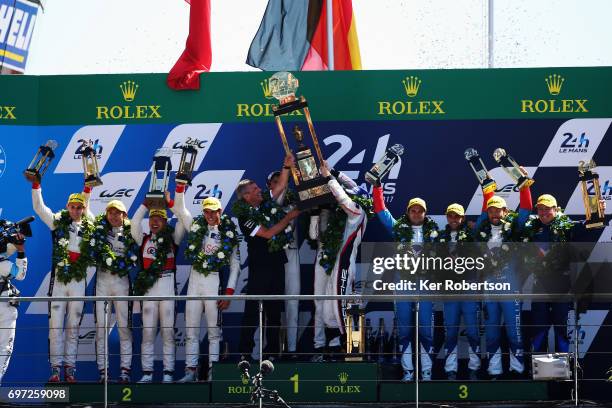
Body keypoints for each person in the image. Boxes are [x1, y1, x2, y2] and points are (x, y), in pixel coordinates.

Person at [520, 194, 606, 354]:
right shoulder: (530, 228)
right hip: (540, 286)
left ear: (556, 209)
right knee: (539, 328)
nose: (544, 212)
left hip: (562, 286)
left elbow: (591, 225)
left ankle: (563, 369)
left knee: (561, 327)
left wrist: (597, 211)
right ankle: (539, 369)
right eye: (540, 209)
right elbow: (509, 230)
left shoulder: (566, 227)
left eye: (548, 209)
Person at [234, 154, 299, 360]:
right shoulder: (244, 216)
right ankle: (245, 352)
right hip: (260, 267)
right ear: (246, 196)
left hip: (277, 263)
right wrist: (289, 217)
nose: (260, 191)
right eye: (255, 190)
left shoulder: (264, 204)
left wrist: (286, 167)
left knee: (274, 311)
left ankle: (271, 353)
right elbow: (268, 233)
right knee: (252, 311)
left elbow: (279, 188)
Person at [173, 188, 240, 382]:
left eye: (214, 211)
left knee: (213, 331)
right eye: (207, 211)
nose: (210, 215)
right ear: (203, 213)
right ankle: (191, 371)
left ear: (220, 211)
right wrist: (179, 188)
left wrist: (228, 293)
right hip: (195, 283)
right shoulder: (195, 227)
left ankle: (212, 371)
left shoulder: (229, 233)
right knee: (191, 329)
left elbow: (235, 266)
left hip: (214, 283)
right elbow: (180, 209)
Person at [373, 184, 438, 382]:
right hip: (402, 284)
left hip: (426, 286)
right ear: (408, 212)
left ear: (425, 214)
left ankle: (426, 371)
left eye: (420, 211)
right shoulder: (398, 228)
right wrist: (377, 187)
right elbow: (380, 210)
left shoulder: (435, 233)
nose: (416, 214)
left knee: (426, 330)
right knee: (405, 329)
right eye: (413, 210)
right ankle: (408, 371)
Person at [31, 180, 94, 383]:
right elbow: (39, 209)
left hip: (78, 281)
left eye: (79, 207)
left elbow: (89, 202)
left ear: (84, 209)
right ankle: (56, 370)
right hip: (59, 281)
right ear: (67, 207)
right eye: (73, 207)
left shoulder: (90, 224)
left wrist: (87, 189)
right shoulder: (57, 221)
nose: (76, 210)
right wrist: (36, 187)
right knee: (55, 326)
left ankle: (70, 369)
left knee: (73, 327)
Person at [473, 171, 531, 379]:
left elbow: (525, 208)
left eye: (498, 211)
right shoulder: (481, 230)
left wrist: (524, 185)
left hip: (511, 289)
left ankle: (517, 370)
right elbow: (481, 215)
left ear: (506, 211)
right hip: (489, 291)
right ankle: (494, 370)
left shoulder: (514, 228)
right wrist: (487, 191)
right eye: (491, 211)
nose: (495, 214)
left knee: (514, 333)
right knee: (491, 332)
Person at [318, 163, 371, 358]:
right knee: (328, 308)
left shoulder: (358, 212)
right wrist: (333, 171)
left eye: (355, 194)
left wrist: (328, 178)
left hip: (344, 266)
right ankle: (333, 348)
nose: (353, 193)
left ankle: (348, 347)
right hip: (337, 264)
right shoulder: (360, 202)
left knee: (340, 307)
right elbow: (351, 185)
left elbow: (342, 198)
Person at [131, 196, 185, 384]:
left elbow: (183, 220)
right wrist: (145, 204)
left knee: (168, 333)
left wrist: (171, 204)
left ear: (165, 221)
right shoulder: (142, 239)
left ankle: (168, 373)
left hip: (168, 292)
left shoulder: (174, 239)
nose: (154, 221)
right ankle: (147, 372)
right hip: (148, 293)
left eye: (159, 218)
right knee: (147, 333)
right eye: (152, 218)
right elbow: (134, 222)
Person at [90, 200, 140, 383]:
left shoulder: (131, 232)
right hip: (102, 281)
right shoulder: (99, 231)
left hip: (122, 283)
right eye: (110, 212)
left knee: (124, 328)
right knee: (101, 329)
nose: (113, 216)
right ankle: (103, 372)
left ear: (124, 215)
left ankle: (125, 372)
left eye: (117, 212)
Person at [437, 203, 481, 380]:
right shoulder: (440, 237)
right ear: (447, 217)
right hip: (450, 290)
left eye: (457, 216)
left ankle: (475, 369)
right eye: (451, 216)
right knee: (451, 331)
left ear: (462, 218)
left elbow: (481, 258)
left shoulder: (472, 235)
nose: (454, 219)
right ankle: (450, 370)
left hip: (469, 288)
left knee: (472, 330)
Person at [267, 171, 300, 359]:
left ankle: (292, 350)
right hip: (274, 255)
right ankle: (270, 351)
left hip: (292, 253)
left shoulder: (295, 202)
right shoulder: (266, 204)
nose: (279, 184)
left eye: (282, 181)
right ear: (269, 185)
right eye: (275, 182)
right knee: (272, 306)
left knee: (292, 303)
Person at [0, 234, 27, 385]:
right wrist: (21, 250)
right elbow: (21, 275)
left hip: (4, 307)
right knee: (4, 348)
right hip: (4, 308)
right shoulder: (4, 265)